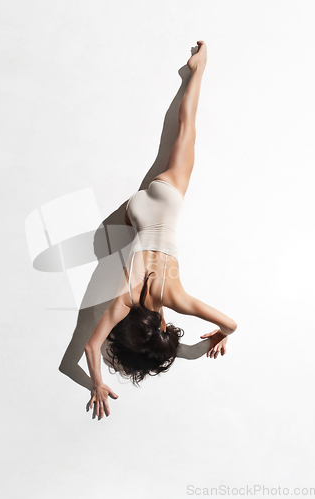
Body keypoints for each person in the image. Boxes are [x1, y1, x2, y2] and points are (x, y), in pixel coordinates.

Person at [84, 41, 238, 419]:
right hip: (136, 211)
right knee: (165, 149)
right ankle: (124, 218)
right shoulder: (124, 301)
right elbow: (91, 348)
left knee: (187, 131)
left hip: (167, 201)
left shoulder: (175, 297)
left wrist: (221, 335)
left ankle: (198, 70)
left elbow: (231, 323)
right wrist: (97, 383)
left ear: (162, 324)